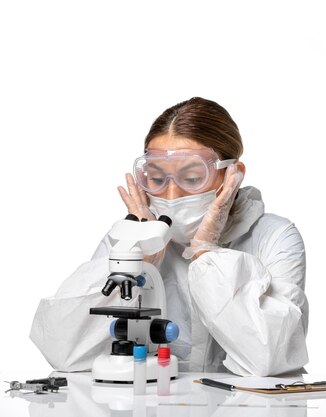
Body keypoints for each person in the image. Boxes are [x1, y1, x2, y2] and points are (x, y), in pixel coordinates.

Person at [30, 97, 309, 376]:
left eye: (191, 178)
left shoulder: (274, 237)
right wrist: (142, 257)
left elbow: (270, 358)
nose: (171, 195)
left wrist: (204, 250)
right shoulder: (127, 240)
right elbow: (63, 352)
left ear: (231, 175)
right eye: (156, 177)